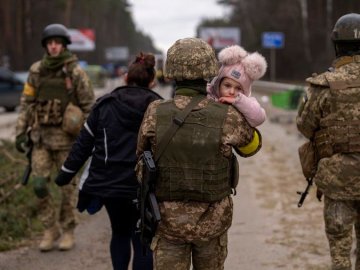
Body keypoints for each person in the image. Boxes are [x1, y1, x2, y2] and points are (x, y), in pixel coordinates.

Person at [136, 37, 262, 270]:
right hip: (211, 224)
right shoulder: (226, 113)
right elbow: (252, 147)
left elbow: (141, 153)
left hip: (167, 223)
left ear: (172, 71)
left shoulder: (155, 111)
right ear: (209, 70)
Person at [55, 52, 162, 270]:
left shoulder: (104, 105)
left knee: (119, 233)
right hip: (144, 186)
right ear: (152, 81)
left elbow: (83, 145)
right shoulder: (159, 109)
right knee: (143, 238)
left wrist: (65, 174)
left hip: (109, 186)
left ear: (125, 78)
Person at [14, 23, 95, 252]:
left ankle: (68, 229)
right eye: (50, 43)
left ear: (64, 45)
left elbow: (89, 106)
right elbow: (26, 103)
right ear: (45, 46)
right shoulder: (36, 71)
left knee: (68, 188)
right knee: (39, 185)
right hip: (40, 138)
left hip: (67, 141)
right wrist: (21, 132)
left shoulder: (75, 72)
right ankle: (50, 229)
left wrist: (87, 138)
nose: (53, 47)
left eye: (57, 43)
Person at [296, 13, 360, 270]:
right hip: (338, 180)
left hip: (337, 180)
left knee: (340, 250)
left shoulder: (323, 85)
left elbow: (305, 126)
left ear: (336, 44)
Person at [207, 44, 267, 127]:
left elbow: (259, 118)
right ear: (218, 83)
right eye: (227, 86)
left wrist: (238, 101)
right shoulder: (208, 92)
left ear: (245, 91)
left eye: (238, 88)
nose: (232, 92)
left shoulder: (246, 103)